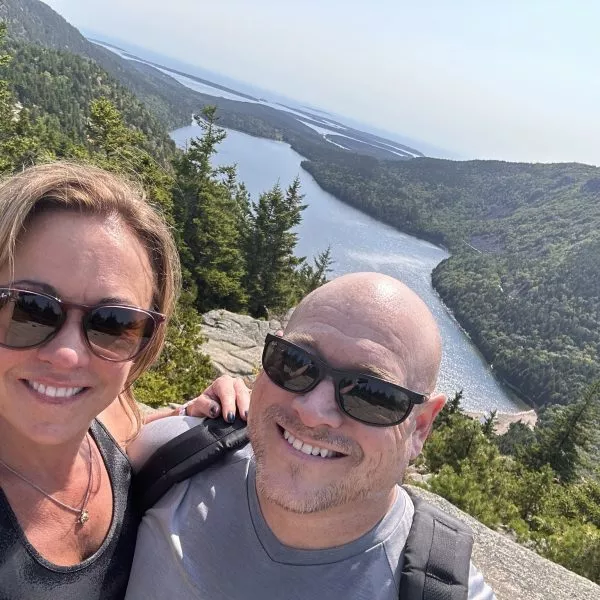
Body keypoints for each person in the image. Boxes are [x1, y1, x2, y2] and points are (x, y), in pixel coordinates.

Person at [125, 272, 496, 599]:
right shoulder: (172, 457)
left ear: (420, 427)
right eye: (295, 362)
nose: (313, 410)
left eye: (371, 394)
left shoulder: (444, 591)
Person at [0, 162, 249, 600]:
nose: (67, 354)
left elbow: (134, 425)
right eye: (30, 310)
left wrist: (191, 414)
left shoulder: (110, 418)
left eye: (113, 324)